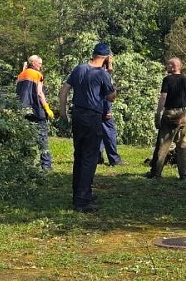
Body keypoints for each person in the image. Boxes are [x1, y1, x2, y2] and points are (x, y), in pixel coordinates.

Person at [59, 43, 116, 212]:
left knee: (79, 154)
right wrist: (109, 72)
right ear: (106, 57)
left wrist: (63, 114)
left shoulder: (79, 68)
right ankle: (82, 201)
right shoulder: (102, 74)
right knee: (89, 157)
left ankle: (79, 193)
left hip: (77, 115)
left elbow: (64, 91)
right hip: (92, 117)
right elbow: (111, 97)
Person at [146, 57, 186, 179]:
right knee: (183, 145)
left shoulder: (167, 79)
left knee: (163, 145)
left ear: (174, 67)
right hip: (183, 115)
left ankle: (156, 173)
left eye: (168, 65)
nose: (166, 66)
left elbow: (163, 97)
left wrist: (158, 115)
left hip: (170, 114)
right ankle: (184, 174)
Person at [16, 54, 54, 170]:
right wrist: (47, 108)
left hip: (23, 110)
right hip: (36, 109)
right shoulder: (37, 74)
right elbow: (39, 93)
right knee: (42, 137)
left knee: (26, 137)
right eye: (39, 63)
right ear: (33, 63)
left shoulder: (21, 75)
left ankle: (25, 163)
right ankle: (46, 164)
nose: (41, 66)